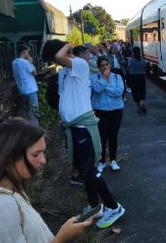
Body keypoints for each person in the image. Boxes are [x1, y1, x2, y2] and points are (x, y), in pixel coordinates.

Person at [42, 40, 125, 229]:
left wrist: (68, 44)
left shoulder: (79, 65)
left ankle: (114, 207)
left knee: (90, 170)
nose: (55, 62)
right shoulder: (64, 71)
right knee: (83, 170)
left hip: (83, 128)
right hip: (74, 127)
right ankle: (95, 205)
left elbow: (59, 56)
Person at [0, 118, 92, 242]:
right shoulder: (1, 207)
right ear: (11, 156)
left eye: (43, 153)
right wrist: (61, 237)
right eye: (36, 154)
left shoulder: (14, 190)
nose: (43, 160)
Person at [91, 56, 124, 172]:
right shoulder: (94, 77)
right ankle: (101, 162)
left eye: (106, 64)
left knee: (113, 136)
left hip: (116, 110)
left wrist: (106, 88)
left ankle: (113, 160)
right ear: (98, 67)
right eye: (102, 65)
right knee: (101, 137)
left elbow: (119, 91)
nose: (105, 67)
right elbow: (97, 89)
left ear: (110, 65)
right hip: (100, 111)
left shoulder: (117, 76)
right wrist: (104, 79)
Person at [12, 45, 39, 125]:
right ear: (25, 52)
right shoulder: (25, 62)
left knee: (25, 112)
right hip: (31, 90)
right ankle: (34, 131)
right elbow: (35, 73)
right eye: (28, 51)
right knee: (33, 113)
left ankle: (26, 129)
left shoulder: (14, 62)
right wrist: (31, 63)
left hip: (22, 91)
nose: (29, 53)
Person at [127, 46, 147, 114]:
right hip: (141, 77)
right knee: (142, 92)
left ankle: (139, 107)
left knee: (135, 93)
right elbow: (145, 69)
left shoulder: (130, 60)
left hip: (133, 78)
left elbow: (128, 69)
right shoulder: (143, 60)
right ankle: (141, 106)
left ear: (133, 52)